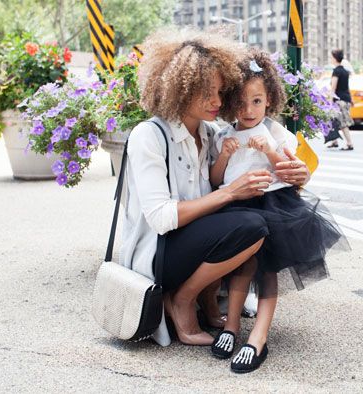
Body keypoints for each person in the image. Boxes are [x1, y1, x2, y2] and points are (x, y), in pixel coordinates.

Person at [120, 28, 311, 347]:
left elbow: (264, 141)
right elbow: (161, 219)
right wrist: (231, 192)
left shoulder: (211, 135)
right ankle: (182, 299)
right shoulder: (148, 136)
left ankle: (208, 302)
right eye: (207, 92)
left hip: (193, 244)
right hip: (158, 253)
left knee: (254, 223)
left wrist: (299, 172)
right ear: (180, 89)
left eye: (221, 92)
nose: (217, 101)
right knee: (251, 225)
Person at [208, 49, 349, 373]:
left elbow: (289, 169)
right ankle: (231, 327)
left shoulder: (276, 132)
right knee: (241, 267)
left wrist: (269, 151)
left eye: (256, 101)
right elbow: (216, 179)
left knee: (267, 270)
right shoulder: (224, 135)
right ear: (231, 103)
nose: (248, 110)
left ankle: (258, 336)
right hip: (236, 205)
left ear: (269, 99)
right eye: (241, 103)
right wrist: (225, 157)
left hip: (273, 205)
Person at [327, 49, 354, 150]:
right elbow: (346, 87)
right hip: (345, 99)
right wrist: (351, 100)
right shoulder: (345, 71)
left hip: (339, 100)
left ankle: (350, 143)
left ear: (334, 58)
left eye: (331, 57)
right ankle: (334, 141)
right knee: (334, 120)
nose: (330, 59)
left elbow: (333, 88)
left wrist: (329, 101)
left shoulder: (336, 71)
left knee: (342, 123)